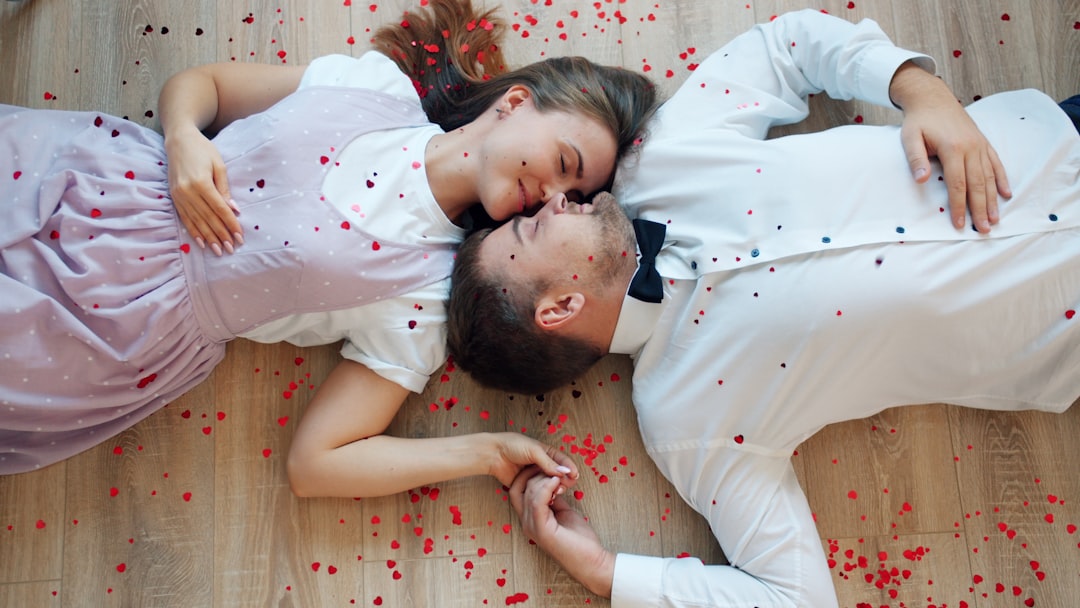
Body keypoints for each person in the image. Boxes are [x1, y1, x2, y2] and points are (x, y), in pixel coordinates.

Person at [445, 9, 1080, 607]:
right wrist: (606, 573)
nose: (554, 204)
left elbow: (789, 46)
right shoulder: (687, 421)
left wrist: (920, 90)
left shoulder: (662, 157)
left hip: (1058, 144)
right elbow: (794, 597)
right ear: (559, 308)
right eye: (529, 231)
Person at [0, 0, 658, 501]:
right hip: (97, 173)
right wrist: (182, 140)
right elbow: (205, 86)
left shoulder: (424, 295)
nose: (549, 195)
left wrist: (486, 452)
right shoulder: (374, 89)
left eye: (571, 194)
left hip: (114, 322)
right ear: (517, 103)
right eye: (564, 162)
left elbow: (316, 465)